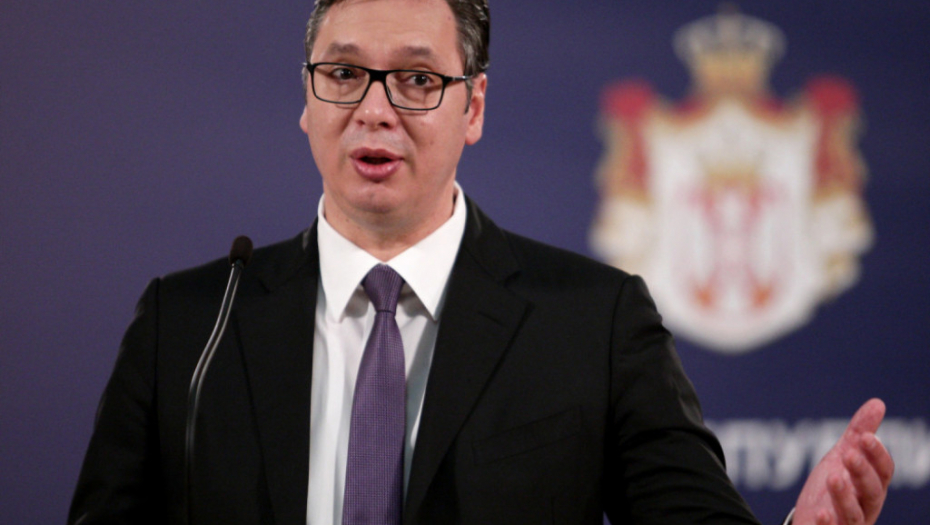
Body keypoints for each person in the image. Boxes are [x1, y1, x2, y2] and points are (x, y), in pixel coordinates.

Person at [69, 0, 894, 524]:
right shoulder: (192, 326)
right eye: (344, 73)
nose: (375, 109)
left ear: (475, 107)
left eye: (416, 79)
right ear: (307, 98)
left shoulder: (593, 323)